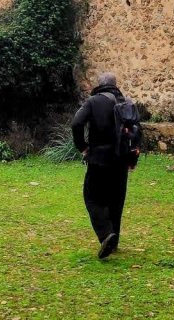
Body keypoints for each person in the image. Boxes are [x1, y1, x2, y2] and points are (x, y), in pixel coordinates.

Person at [71, 72, 139, 259]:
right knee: (116, 201)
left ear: (99, 85)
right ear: (115, 85)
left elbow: (76, 123)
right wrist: (132, 160)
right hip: (121, 160)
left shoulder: (93, 102)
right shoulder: (127, 102)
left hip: (99, 159)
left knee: (92, 198)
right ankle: (114, 241)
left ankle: (105, 234)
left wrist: (83, 147)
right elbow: (136, 132)